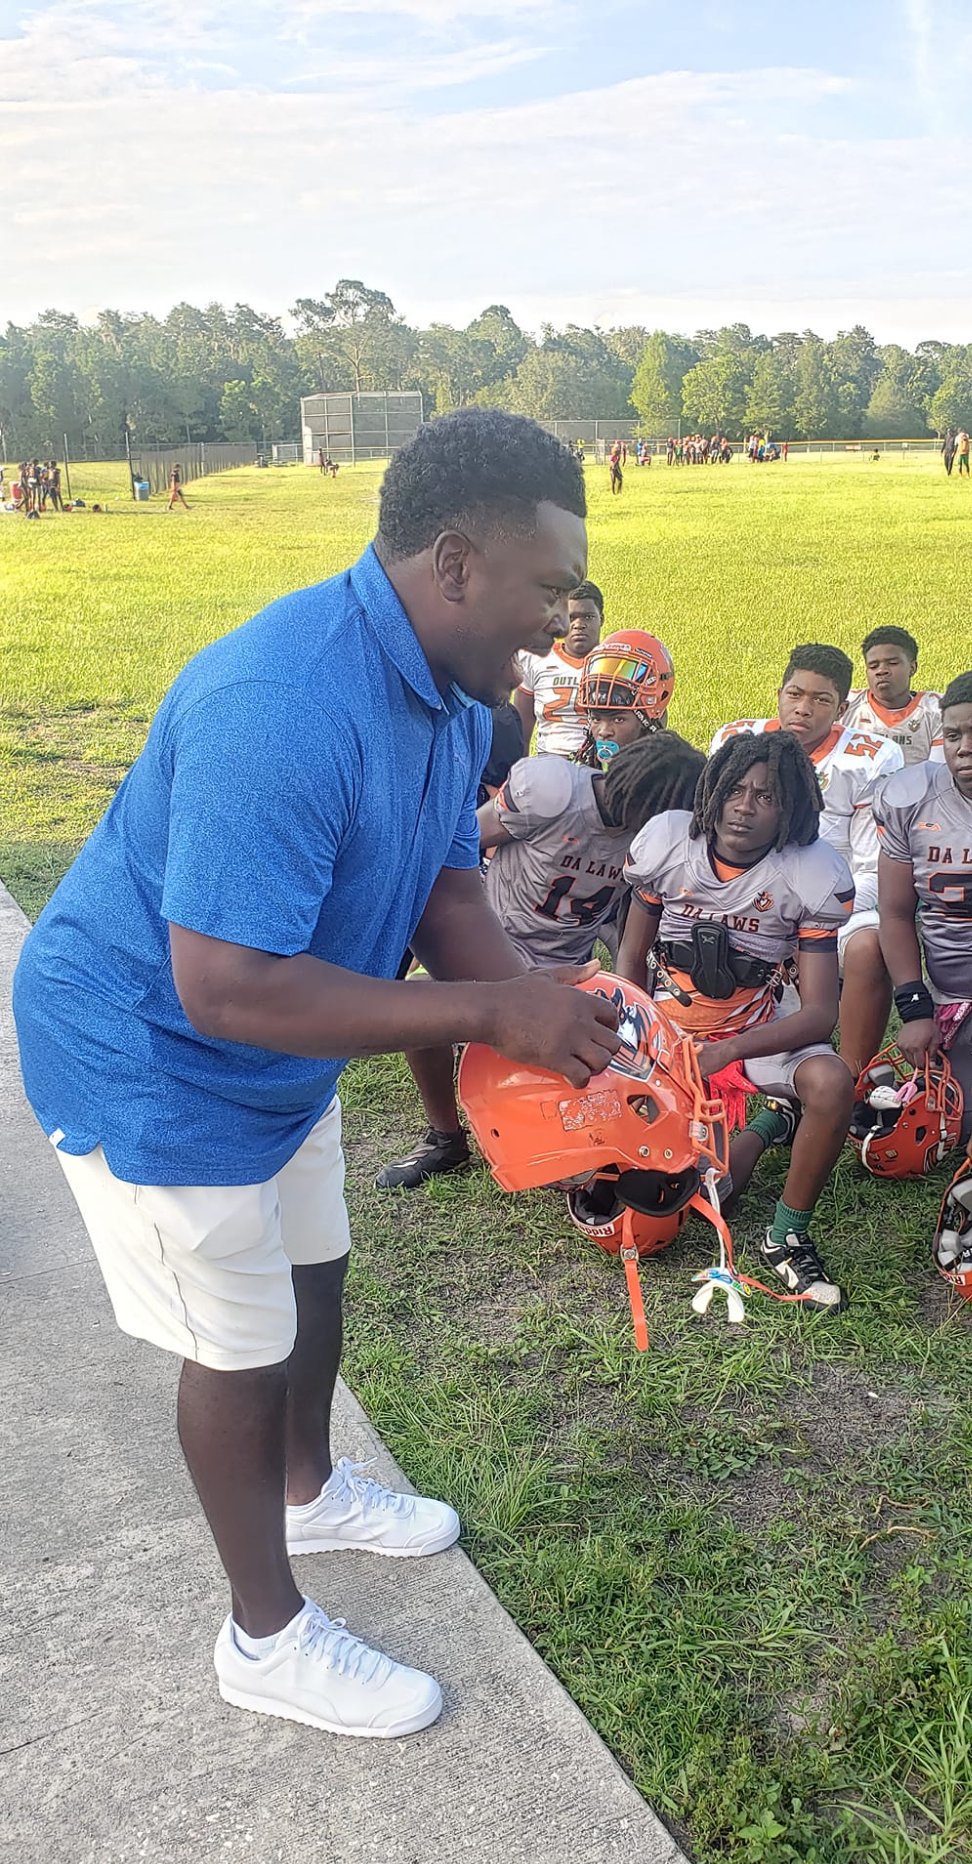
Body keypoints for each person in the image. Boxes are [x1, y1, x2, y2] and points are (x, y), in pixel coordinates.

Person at [13, 407, 623, 1740]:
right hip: (156, 1053)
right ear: (457, 562)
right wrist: (484, 1014)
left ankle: (312, 1487)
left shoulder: (455, 695)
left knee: (313, 1263)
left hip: (280, 1036)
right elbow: (221, 983)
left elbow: (445, 884)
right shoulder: (282, 702)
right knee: (233, 1340)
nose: (557, 621)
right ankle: (264, 1634)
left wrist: (532, 1004)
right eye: (547, 588)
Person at [375, 732, 705, 1190]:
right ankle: (443, 1137)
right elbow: (461, 848)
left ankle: (580, 1145)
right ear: (651, 802)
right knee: (423, 1003)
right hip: (490, 946)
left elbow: (622, 921)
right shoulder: (552, 792)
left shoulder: (646, 843)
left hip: (571, 965)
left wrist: (629, 986)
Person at [618, 733, 855, 1308]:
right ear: (713, 791)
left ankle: (787, 1234)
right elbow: (629, 959)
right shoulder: (670, 844)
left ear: (791, 808)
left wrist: (727, 1052)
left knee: (830, 1082)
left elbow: (821, 1013)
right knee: (684, 1199)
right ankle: (772, 1122)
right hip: (670, 1031)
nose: (744, 806)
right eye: (735, 790)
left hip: (753, 1034)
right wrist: (636, 1043)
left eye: (766, 796)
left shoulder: (807, 872)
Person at [709, 644, 903, 1078]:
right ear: (779, 692)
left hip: (834, 898)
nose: (803, 709)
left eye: (821, 700)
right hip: (742, 895)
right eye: (795, 694)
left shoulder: (870, 759)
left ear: (842, 706)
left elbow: (873, 869)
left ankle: (852, 1072)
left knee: (869, 945)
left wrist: (813, 912)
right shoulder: (737, 742)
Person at [875, 671, 972, 1141]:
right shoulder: (912, 799)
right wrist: (915, 1008)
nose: (965, 747)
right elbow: (894, 913)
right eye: (953, 735)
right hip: (952, 995)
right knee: (945, 1124)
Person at [513, 580, 604, 758]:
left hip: (599, 765)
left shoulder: (617, 662)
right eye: (572, 617)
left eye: (588, 617)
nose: (579, 624)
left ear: (601, 618)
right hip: (550, 762)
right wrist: (520, 772)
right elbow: (521, 729)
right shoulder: (536, 659)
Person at [574, 630, 674, 769]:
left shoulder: (674, 777)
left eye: (618, 719)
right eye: (596, 719)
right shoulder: (580, 773)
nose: (603, 731)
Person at [843, 626, 942, 765]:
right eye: (873, 666)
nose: (881, 671)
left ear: (912, 668)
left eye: (892, 663)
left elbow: (939, 774)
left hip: (917, 786)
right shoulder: (846, 706)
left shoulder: (935, 711)